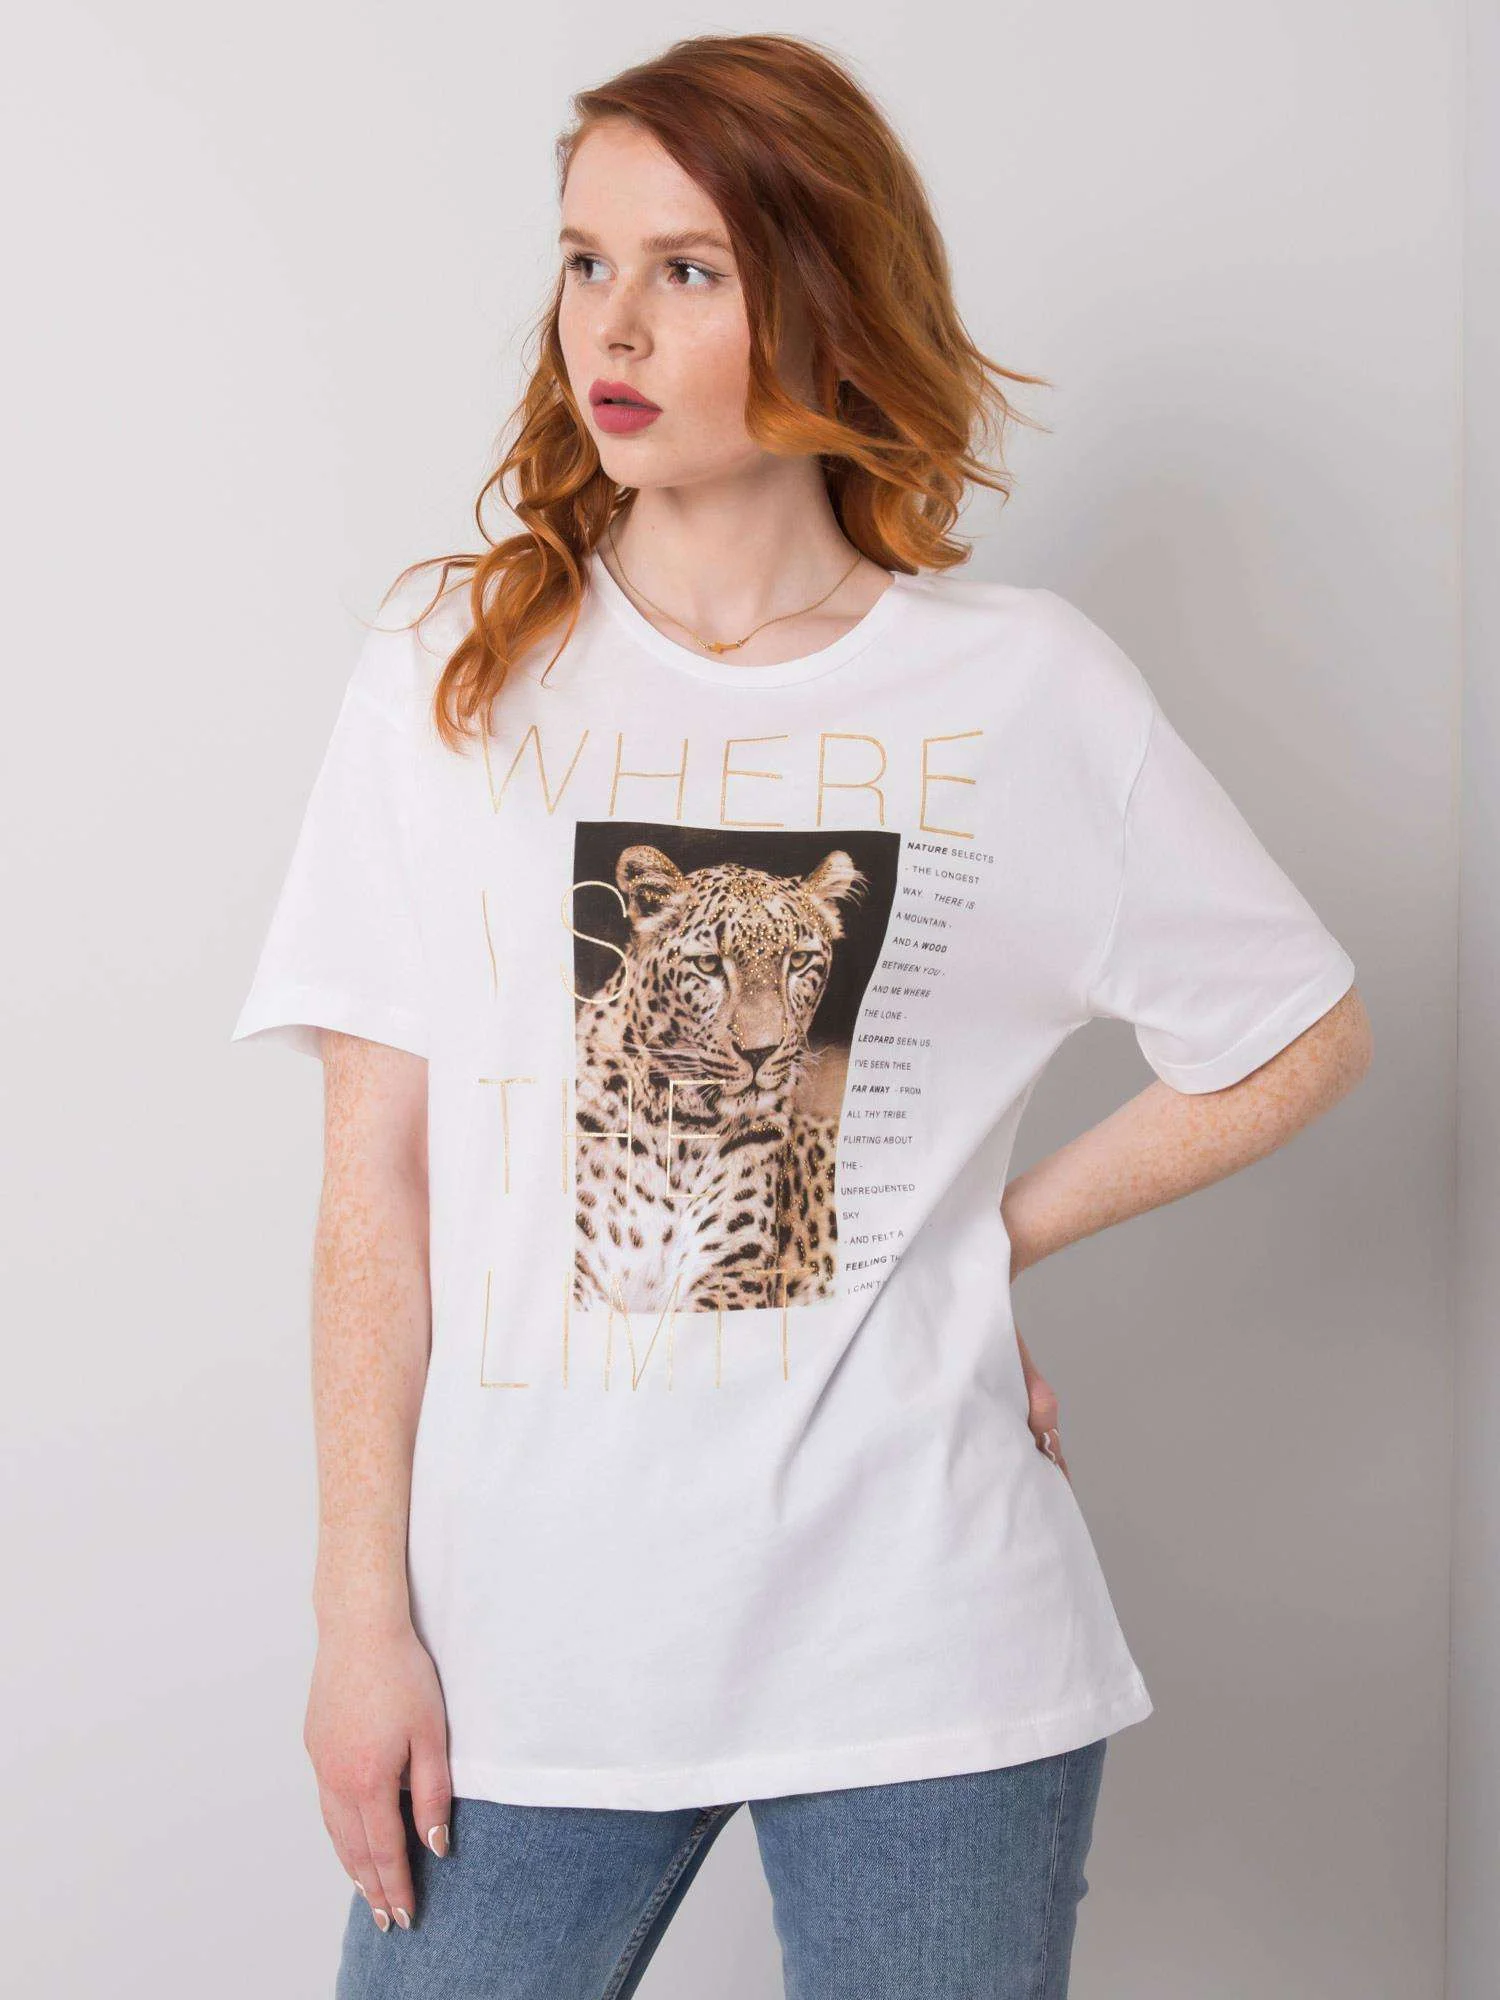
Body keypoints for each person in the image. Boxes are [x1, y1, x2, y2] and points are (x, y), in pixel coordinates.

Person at [230, 31, 1373, 1999]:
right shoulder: (455, 667)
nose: (614, 324)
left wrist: (983, 1240)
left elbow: (1296, 1031)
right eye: (586, 260)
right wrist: (359, 1619)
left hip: (926, 1631)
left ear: (824, 298)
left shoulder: (1019, 691)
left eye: (688, 269)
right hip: (531, 1641)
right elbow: (375, 1191)